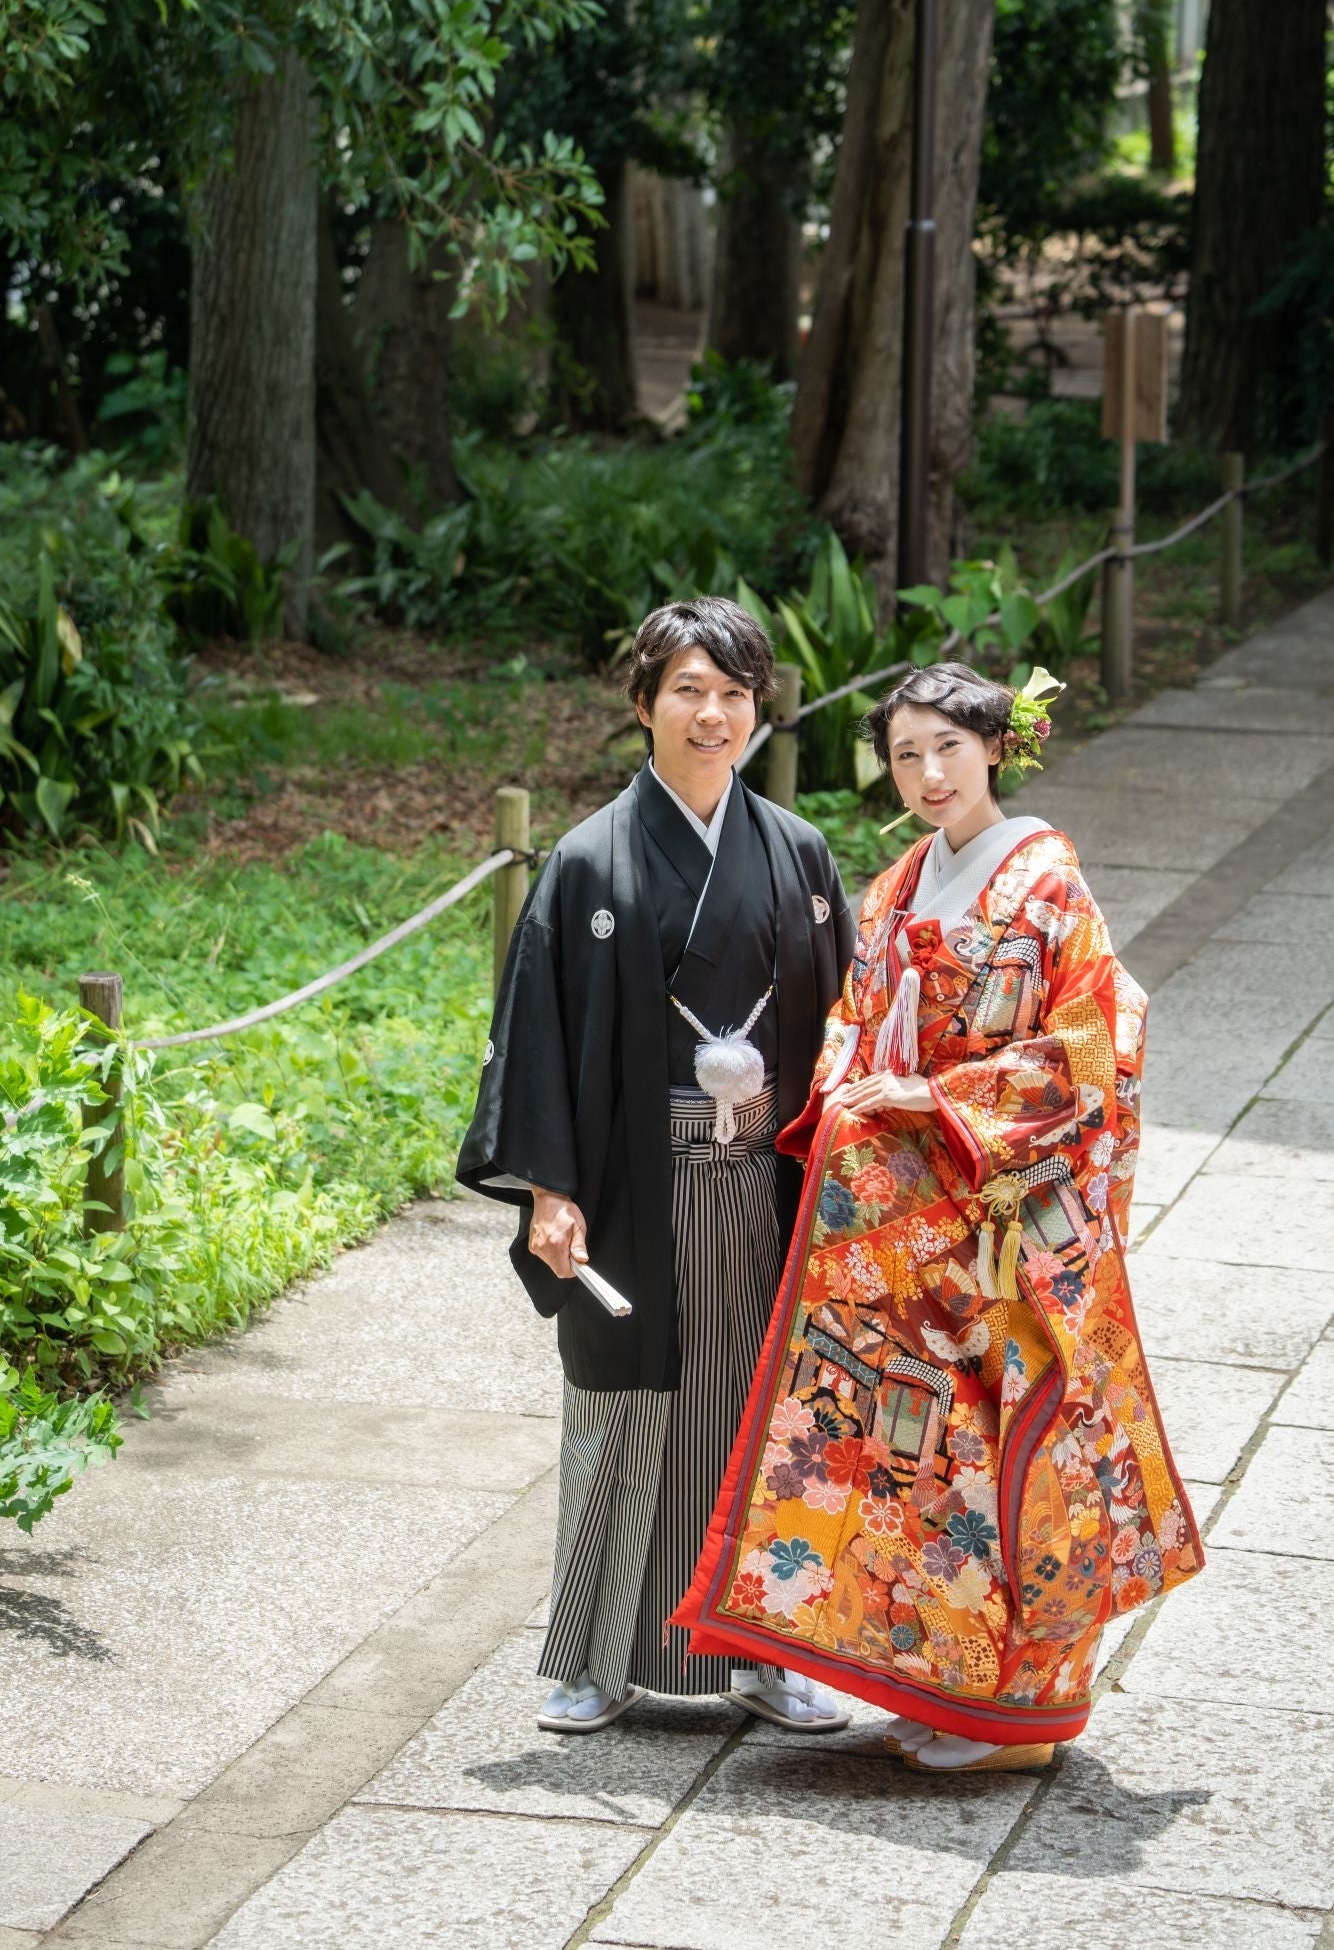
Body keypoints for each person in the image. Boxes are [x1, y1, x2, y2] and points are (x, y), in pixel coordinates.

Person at [673, 660, 1205, 1772]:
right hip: (917, 1217)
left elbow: (1098, 1045)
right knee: (923, 1453)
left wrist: (939, 1097)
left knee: (1017, 1441)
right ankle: (945, 1686)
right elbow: (853, 1018)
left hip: (1006, 1209)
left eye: (945, 750)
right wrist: (860, 1084)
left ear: (996, 750)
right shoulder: (900, 881)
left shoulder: (1048, 881)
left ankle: (1019, 1714)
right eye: (903, 754)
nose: (924, 774)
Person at [456, 596, 856, 1734]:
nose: (712, 712)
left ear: (757, 712)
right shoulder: (588, 861)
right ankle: (594, 1656)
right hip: (638, 1175)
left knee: (769, 1406)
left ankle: (771, 1652)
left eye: (733, 693)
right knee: (621, 1403)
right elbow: (535, 1035)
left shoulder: (798, 853)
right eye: (687, 688)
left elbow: (846, 1022)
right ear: (643, 705)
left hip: (767, 1179)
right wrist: (548, 1185)